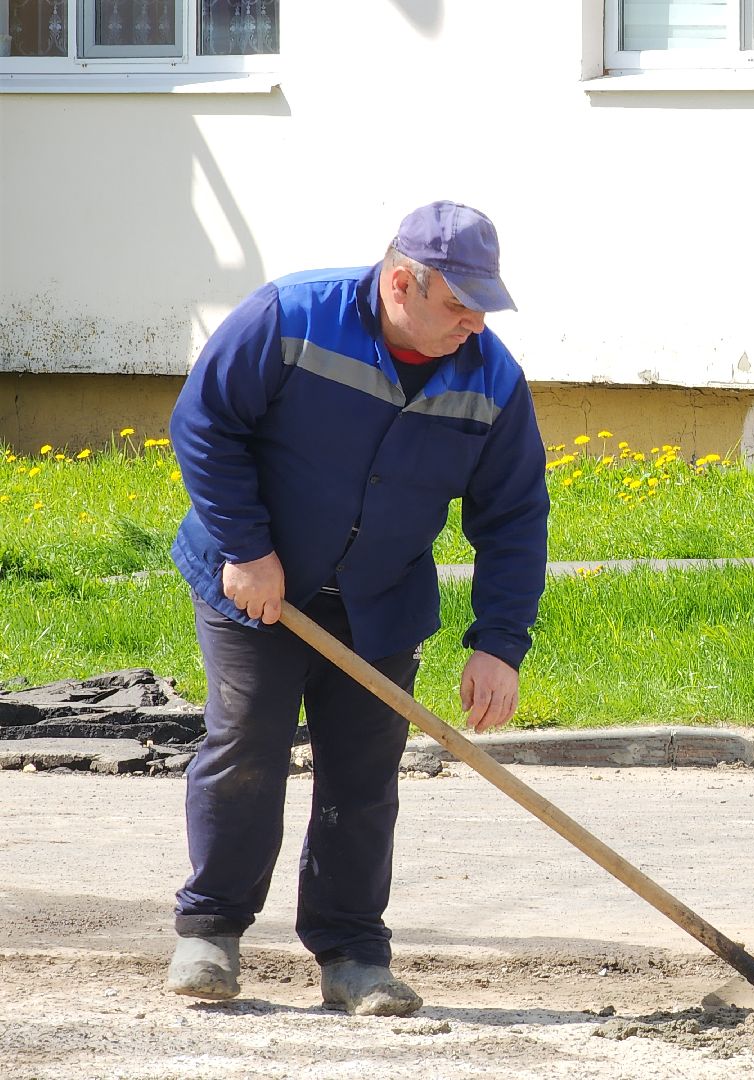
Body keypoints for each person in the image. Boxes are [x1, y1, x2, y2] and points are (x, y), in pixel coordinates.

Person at [164, 201, 549, 1015]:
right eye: (459, 304)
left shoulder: (491, 377)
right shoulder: (290, 317)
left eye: (484, 306)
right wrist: (245, 547)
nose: (474, 324)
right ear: (402, 281)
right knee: (248, 750)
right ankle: (211, 931)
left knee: (364, 775)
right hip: (256, 587)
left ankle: (351, 955)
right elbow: (206, 424)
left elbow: (513, 514)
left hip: (379, 602)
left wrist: (500, 643)